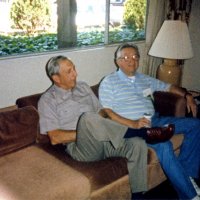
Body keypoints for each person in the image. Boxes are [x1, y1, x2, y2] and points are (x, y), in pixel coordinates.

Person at [38, 55, 175, 199]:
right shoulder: (47, 100)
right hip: (81, 148)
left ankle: (138, 195)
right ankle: (142, 133)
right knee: (88, 118)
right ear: (56, 78)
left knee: (137, 144)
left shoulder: (83, 87)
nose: (75, 74)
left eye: (74, 68)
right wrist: (88, 132)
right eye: (69, 71)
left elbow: (102, 112)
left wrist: (109, 118)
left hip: (106, 140)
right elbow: (55, 137)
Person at [99, 43, 200, 200]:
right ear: (117, 61)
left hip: (156, 120)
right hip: (132, 126)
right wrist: (133, 124)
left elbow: (169, 86)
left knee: (195, 124)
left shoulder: (144, 79)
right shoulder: (109, 82)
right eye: (125, 58)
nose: (131, 61)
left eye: (135, 57)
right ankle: (190, 195)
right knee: (164, 145)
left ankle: (187, 176)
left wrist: (187, 95)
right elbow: (108, 112)